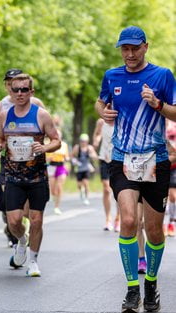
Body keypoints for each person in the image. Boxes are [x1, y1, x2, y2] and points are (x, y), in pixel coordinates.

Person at [95, 26, 176, 313]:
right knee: (129, 221)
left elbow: (175, 111)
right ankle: (132, 289)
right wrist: (102, 112)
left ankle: (151, 284)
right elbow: (100, 101)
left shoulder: (162, 75)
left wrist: (158, 104)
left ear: (145, 47)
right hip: (122, 159)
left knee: (154, 231)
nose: (129, 54)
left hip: (156, 160)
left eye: (134, 48)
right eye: (124, 49)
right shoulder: (112, 75)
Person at [0, 73, 60, 277]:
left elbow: (57, 140)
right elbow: (1, 140)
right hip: (13, 176)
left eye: (24, 89)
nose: (20, 93)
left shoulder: (41, 115)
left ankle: (33, 261)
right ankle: (21, 241)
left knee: (37, 220)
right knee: (13, 221)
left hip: (37, 176)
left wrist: (45, 147)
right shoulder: (5, 114)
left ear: (31, 91)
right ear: (10, 92)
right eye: (15, 90)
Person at [93, 118, 120, 230]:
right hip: (104, 158)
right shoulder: (100, 121)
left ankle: (118, 218)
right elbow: (97, 134)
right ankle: (108, 218)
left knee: (118, 190)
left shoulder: (121, 120)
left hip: (117, 158)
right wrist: (97, 140)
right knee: (106, 189)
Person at [46, 129, 69, 215]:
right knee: (53, 189)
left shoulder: (64, 145)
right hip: (52, 166)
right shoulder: (49, 145)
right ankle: (54, 197)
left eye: (59, 135)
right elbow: (46, 158)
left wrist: (67, 159)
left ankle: (57, 207)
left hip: (61, 166)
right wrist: (50, 158)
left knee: (59, 187)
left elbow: (67, 156)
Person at [71, 133, 98, 206]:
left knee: (86, 183)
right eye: (82, 141)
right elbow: (72, 156)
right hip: (79, 168)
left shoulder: (89, 148)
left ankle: (86, 198)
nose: (83, 143)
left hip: (86, 167)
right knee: (79, 185)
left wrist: (92, 155)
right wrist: (74, 161)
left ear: (87, 141)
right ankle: (81, 191)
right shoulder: (77, 147)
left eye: (85, 141)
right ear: (80, 141)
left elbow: (95, 157)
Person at [165, 121, 176, 237]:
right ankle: (161, 223)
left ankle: (172, 222)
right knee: (160, 196)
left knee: (172, 195)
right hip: (158, 165)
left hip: (174, 166)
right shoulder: (157, 121)